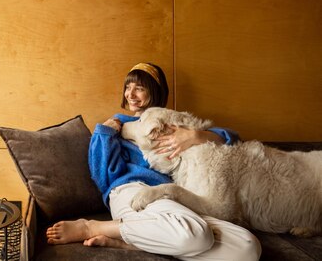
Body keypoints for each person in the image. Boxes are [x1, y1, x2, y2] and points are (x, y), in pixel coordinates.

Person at [46, 62, 261, 261]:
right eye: (127, 87)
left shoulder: (172, 123)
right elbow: (102, 177)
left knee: (248, 248)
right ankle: (91, 227)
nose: (130, 94)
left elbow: (232, 138)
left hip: (175, 197)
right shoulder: (117, 125)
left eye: (139, 88)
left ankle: (134, 244)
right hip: (132, 191)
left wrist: (196, 136)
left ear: (155, 91)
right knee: (195, 236)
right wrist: (105, 134)